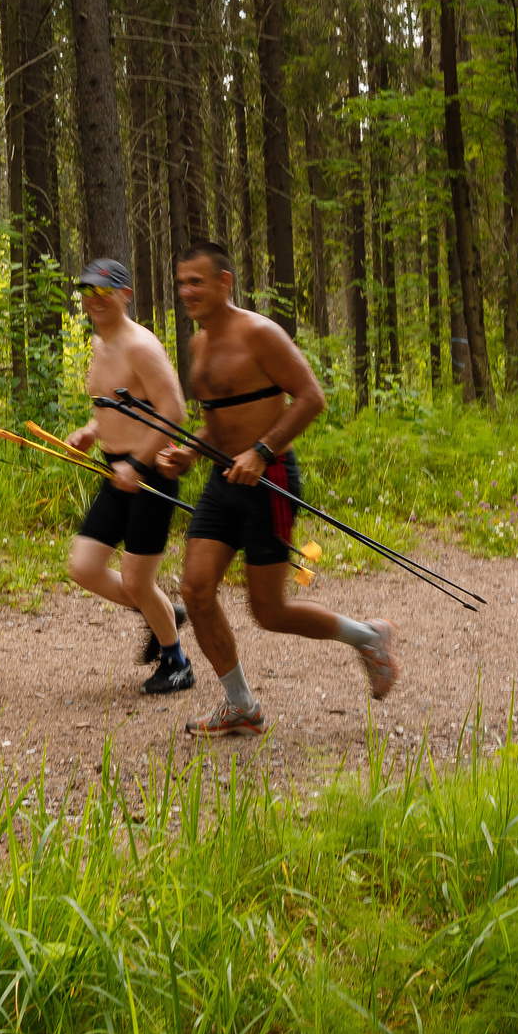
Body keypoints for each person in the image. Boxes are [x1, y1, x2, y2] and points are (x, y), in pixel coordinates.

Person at [153, 240, 397, 738]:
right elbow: (215, 424)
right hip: (223, 481)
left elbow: (311, 397)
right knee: (196, 590)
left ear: (225, 281)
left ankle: (368, 637)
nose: (186, 291)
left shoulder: (261, 334)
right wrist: (190, 453)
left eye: (196, 281)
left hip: (271, 481)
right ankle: (240, 704)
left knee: (270, 611)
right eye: (181, 282)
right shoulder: (199, 345)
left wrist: (263, 452)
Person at [60, 258, 196, 695]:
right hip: (113, 472)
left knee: (138, 580)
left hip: (150, 473)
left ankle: (177, 663)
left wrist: (138, 464)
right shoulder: (101, 344)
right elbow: (119, 405)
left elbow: (174, 413)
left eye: (103, 291)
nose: (94, 300)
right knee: (84, 567)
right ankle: (164, 613)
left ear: (125, 294)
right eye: (87, 292)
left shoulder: (142, 346)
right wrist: (92, 429)